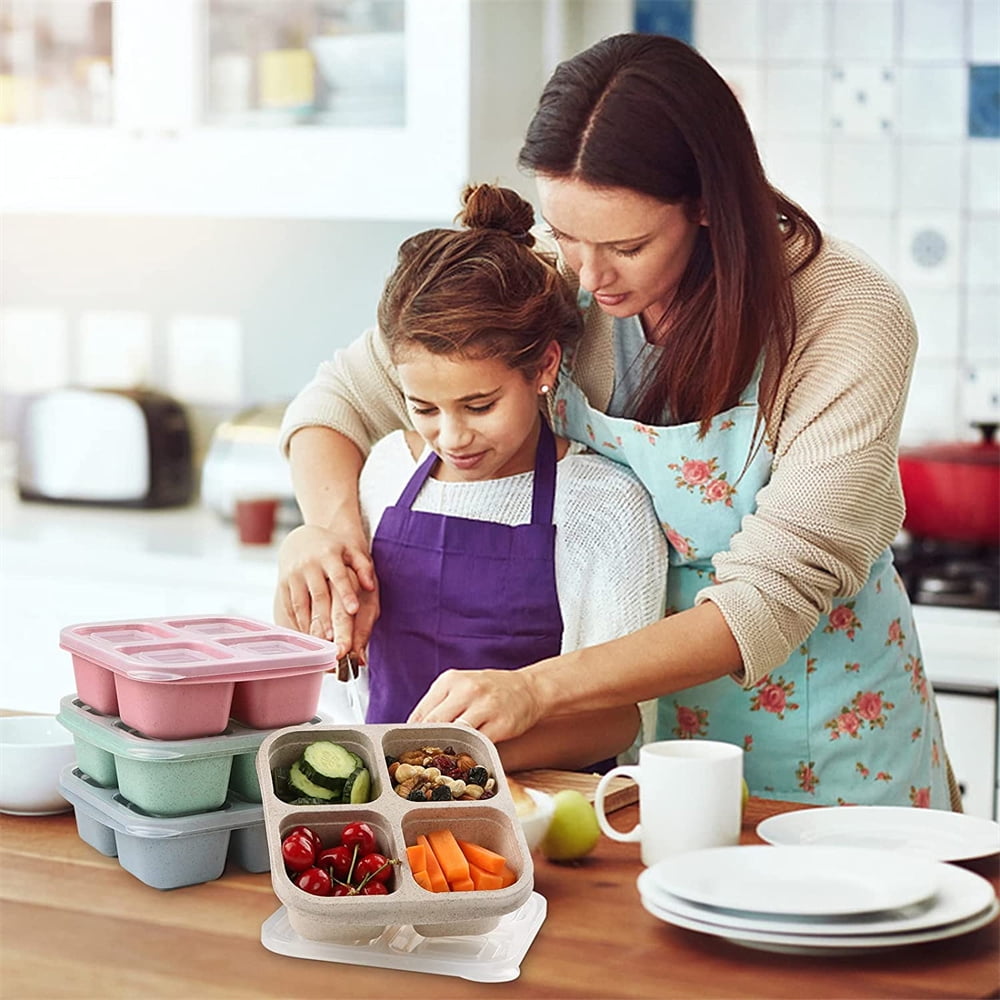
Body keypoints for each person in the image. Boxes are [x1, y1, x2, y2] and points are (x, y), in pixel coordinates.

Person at [277, 34, 959, 810]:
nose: (585, 275)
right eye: (565, 233)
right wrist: (329, 532)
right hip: (622, 762)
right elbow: (335, 404)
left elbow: (771, 592)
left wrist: (539, 690)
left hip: (819, 745)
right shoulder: (546, 274)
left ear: (707, 205)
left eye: (625, 246)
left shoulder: (847, 316)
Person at [275, 182, 668, 773]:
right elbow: (334, 674)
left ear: (544, 367)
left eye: (480, 406)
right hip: (386, 796)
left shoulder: (603, 506)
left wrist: (452, 765)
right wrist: (307, 557)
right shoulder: (384, 471)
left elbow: (615, 719)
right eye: (424, 409)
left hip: (533, 808)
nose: (452, 437)